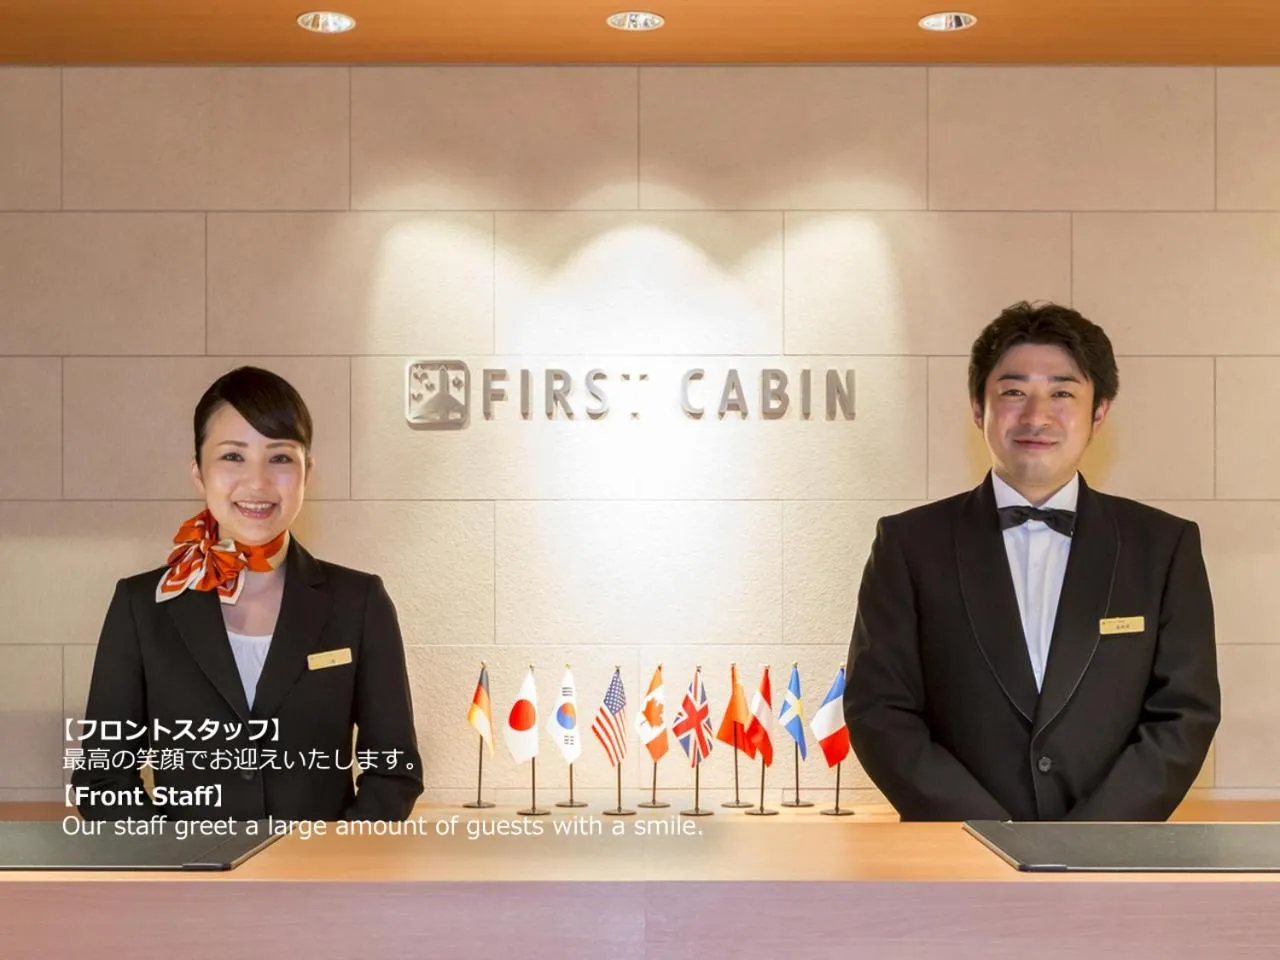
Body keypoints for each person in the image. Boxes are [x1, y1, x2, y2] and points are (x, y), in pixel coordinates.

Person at [844, 301, 1219, 821]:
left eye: (1062, 393)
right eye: (1013, 391)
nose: (1037, 415)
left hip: (1110, 864)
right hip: (957, 864)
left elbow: (1184, 714)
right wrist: (986, 835)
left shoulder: (1163, 547)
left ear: (1100, 411)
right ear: (978, 408)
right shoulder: (908, 545)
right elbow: (879, 709)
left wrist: (1089, 840)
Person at [73, 367, 423, 821]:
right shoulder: (142, 606)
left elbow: (393, 772)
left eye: (279, 458)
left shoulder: (360, 602)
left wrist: (332, 865)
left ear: (307, 472)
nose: (257, 483)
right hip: (188, 884)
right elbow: (103, 779)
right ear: (198, 471)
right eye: (233, 458)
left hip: (322, 882)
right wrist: (179, 867)